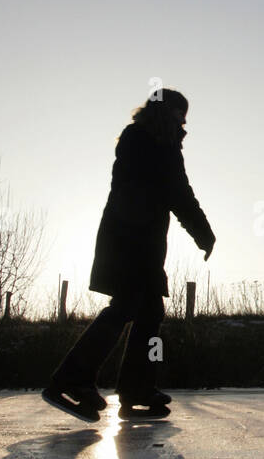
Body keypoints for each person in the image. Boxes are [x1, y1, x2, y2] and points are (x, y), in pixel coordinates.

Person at [43, 87, 215, 421]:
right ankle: (72, 379)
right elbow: (178, 193)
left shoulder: (145, 139)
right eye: (182, 115)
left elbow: (171, 191)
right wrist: (203, 233)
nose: (185, 124)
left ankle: (136, 389)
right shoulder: (152, 142)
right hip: (132, 243)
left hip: (136, 242)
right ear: (168, 113)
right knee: (126, 308)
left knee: (149, 313)